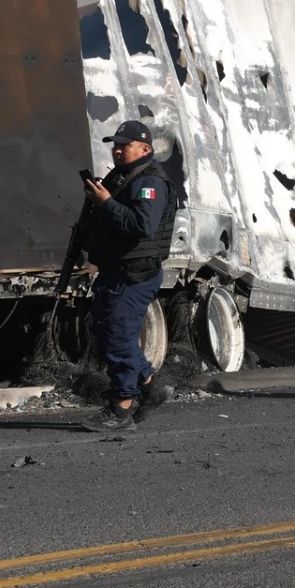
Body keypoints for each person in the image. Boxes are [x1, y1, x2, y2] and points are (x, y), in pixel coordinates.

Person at [81, 119, 176, 430]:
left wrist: (106, 203)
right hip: (116, 272)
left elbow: (142, 225)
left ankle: (121, 408)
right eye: (115, 145)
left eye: (125, 145)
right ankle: (150, 383)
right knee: (109, 335)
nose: (117, 150)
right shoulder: (124, 177)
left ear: (145, 148)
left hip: (134, 274)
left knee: (120, 339)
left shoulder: (149, 182)